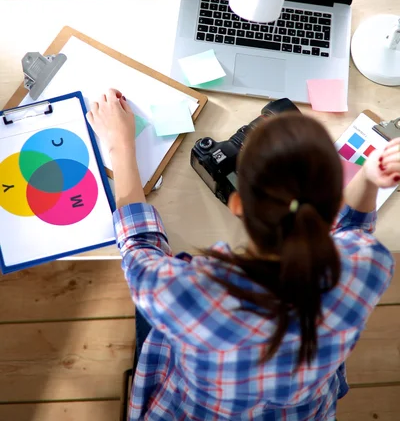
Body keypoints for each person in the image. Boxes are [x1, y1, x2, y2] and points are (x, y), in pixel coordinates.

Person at [87, 89, 396, 421]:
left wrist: (120, 145)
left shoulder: (187, 293)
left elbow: (139, 247)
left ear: (237, 204)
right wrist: (368, 175)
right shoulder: (368, 266)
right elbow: (352, 232)